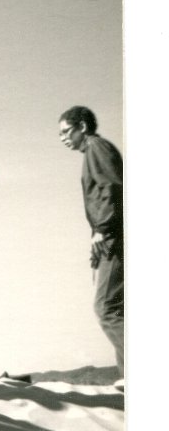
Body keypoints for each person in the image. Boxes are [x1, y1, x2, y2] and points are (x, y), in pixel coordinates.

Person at [57, 106, 124, 383]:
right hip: (109, 234)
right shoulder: (95, 150)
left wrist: (102, 231)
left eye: (66, 131)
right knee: (117, 306)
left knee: (106, 307)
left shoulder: (96, 147)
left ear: (82, 126)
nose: (62, 138)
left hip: (112, 235)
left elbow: (111, 188)